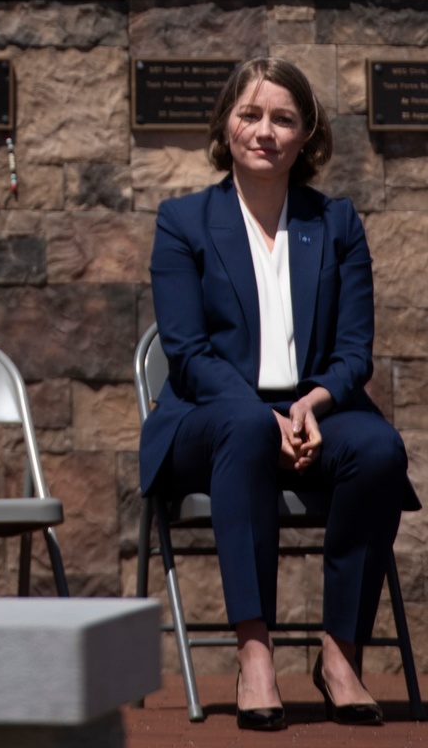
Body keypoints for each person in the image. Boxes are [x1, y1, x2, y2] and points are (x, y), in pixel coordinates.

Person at [139, 57, 418, 731]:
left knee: (379, 448)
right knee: (244, 427)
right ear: (226, 126)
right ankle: (255, 652)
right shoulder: (183, 221)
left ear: (306, 136)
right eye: (250, 114)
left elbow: (356, 352)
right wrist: (265, 415)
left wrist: (310, 405)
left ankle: (339, 656)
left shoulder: (338, 224)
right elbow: (187, 354)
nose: (265, 131)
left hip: (314, 410)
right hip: (210, 419)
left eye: (283, 118)